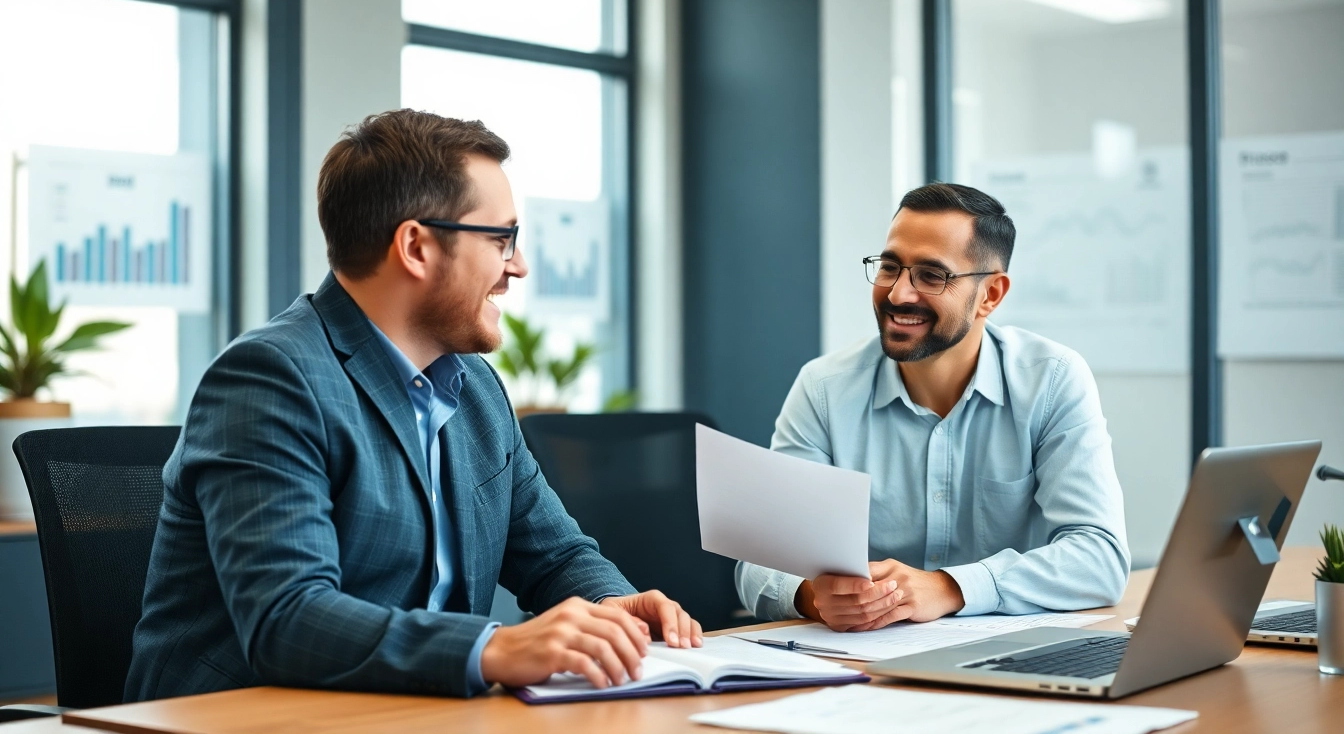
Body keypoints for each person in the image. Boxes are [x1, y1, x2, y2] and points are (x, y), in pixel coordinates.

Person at [126, 109, 701, 702]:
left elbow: (553, 556)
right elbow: (287, 619)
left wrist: (611, 607)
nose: (518, 266)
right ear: (416, 246)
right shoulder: (271, 378)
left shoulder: (474, 388)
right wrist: (495, 648)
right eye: (501, 238)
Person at [735, 182, 1130, 631]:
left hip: (1007, 660)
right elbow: (759, 562)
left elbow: (1099, 557)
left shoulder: (1051, 379)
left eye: (931, 275)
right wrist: (813, 596)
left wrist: (948, 588)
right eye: (890, 267)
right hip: (863, 665)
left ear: (991, 295)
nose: (899, 294)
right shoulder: (824, 388)